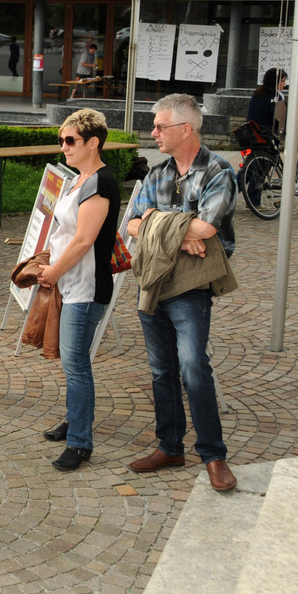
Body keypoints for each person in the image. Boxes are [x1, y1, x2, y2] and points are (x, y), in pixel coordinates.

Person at [126, 94, 239, 492]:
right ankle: (170, 447)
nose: (153, 132)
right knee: (161, 370)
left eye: (160, 126)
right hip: (153, 279)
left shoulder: (218, 171)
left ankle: (213, 454)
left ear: (186, 128)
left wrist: (158, 222)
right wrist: (181, 232)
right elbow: (133, 223)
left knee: (192, 366)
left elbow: (207, 230)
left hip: (191, 283)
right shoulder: (157, 172)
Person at [36, 109, 120, 471]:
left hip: (85, 286)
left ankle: (81, 443)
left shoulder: (100, 182)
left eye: (70, 140)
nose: (63, 146)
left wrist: (54, 272)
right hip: (69, 282)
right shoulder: (77, 180)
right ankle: (74, 420)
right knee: (73, 363)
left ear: (93, 142)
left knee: (76, 365)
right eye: (61, 140)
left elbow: (85, 239)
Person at [247, 67, 288, 135]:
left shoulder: (258, 94)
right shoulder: (275, 96)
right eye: (283, 81)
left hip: (252, 132)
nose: (284, 84)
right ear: (275, 82)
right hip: (266, 134)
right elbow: (278, 118)